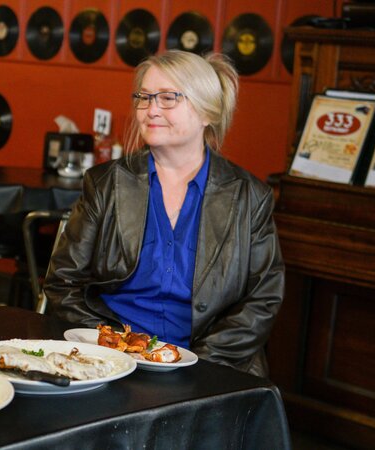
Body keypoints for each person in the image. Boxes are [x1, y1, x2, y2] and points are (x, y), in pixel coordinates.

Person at [44, 50, 284, 377]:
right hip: (112, 362)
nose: (151, 109)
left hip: (210, 367)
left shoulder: (248, 197)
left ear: (206, 113)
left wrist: (195, 365)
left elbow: (263, 300)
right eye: (144, 97)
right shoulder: (105, 184)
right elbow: (62, 282)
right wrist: (116, 348)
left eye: (168, 98)